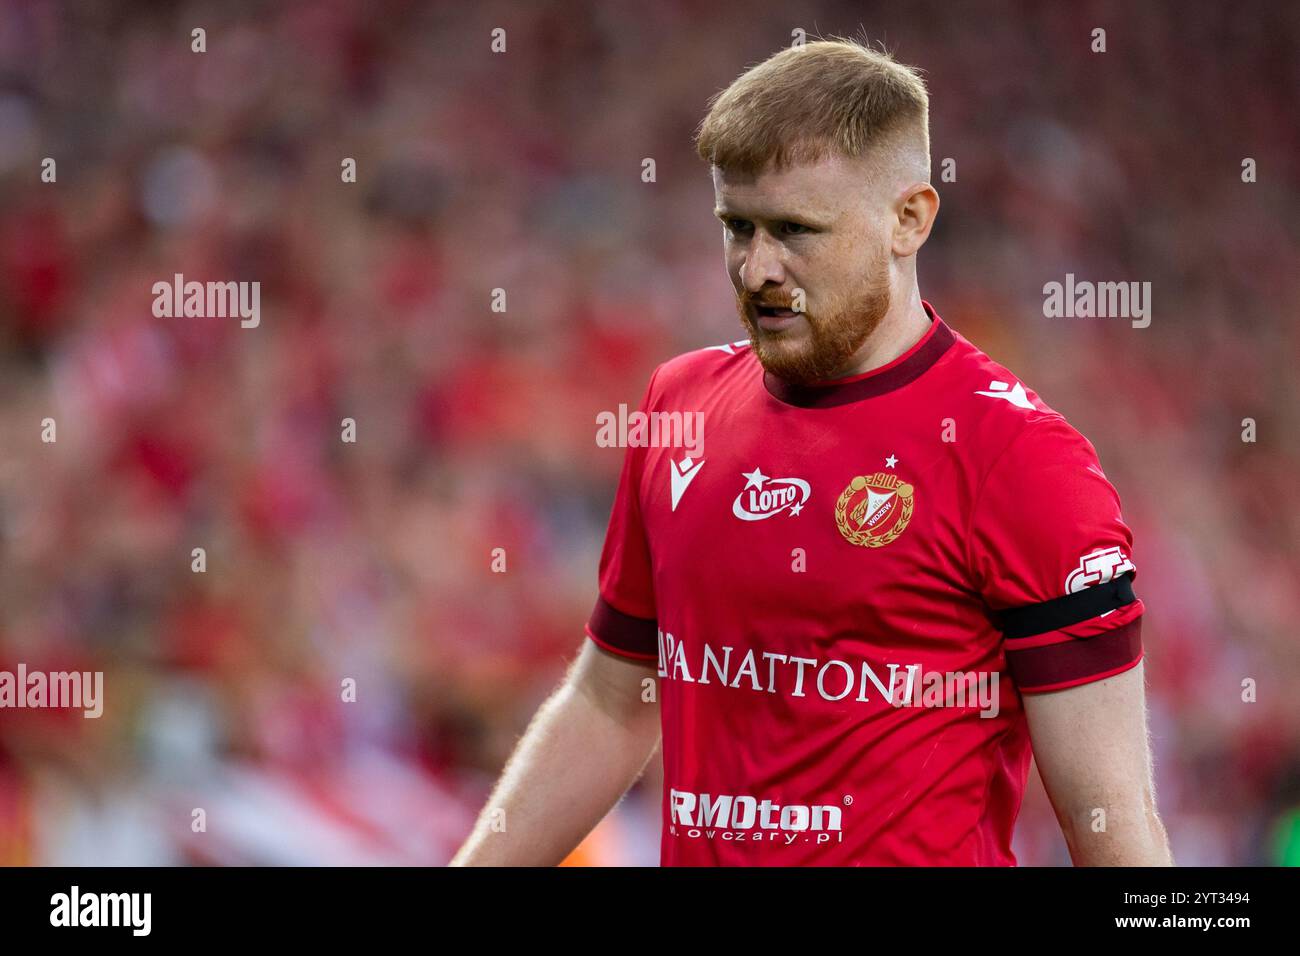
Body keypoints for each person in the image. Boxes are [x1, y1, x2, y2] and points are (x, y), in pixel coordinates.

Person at [451, 37, 1173, 866]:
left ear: (910, 219)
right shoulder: (677, 406)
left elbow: (1108, 818)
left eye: (797, 230)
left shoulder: (1021, 461)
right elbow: (613, 701)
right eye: (738, 226)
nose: (758, 269)